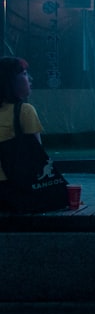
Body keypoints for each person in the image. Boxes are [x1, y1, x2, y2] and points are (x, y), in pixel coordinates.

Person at [0, 57, 45, 210]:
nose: (30, 78)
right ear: (10, 81)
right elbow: (38, 155)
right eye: (25, 74)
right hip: (13, 190)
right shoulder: (24, 111)